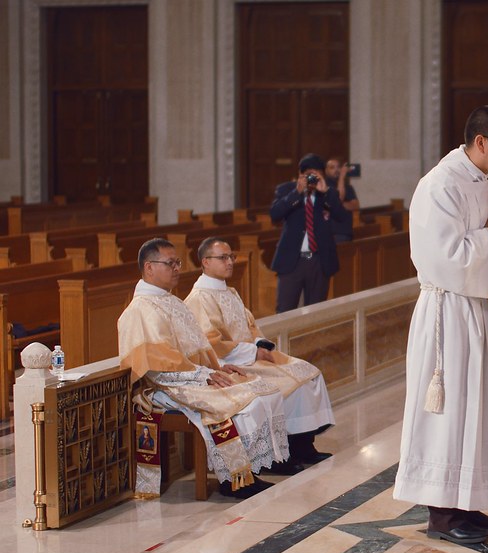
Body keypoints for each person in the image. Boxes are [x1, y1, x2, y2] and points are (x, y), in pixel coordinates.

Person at [392, 105, 488, 545]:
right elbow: (445, 259)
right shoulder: (439, 184)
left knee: (475, 408)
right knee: (446, 412)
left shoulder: (479, 183)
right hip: (446, 312)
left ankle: (467, 502)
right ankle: (442, 515)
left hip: (473, 308)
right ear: (480, 142)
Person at [118, 238, 290, 499]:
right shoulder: (139, 310)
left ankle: (248, 472)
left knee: (261, 391)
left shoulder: (172, 302)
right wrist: (205, 375)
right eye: (170, 263)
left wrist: (219, 367)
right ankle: (234, 479)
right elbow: (156, 368)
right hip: (165, 387)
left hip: (193, 377)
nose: (177, 268)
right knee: (240, 403)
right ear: (149, 267)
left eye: (178, 263)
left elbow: (197, 346)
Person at [185, 237, 336, 471]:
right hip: (231, 363)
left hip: (250, 356)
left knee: (309, 373)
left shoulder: (230, 291)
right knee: (284, 384)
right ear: (205, 261)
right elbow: (211, 343)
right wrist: (253, 352)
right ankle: (278, 457)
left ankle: (303, 445)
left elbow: (248, 325)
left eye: (231, 257)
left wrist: (259, 344)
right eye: (223, 258)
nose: (230, 262)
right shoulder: (199, 298)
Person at [270, 153, 348, 313]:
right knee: (285, 310)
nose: (311, 179)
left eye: (316, 175)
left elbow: (342, 218)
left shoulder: (328, 193)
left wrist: (325, 191)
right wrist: (296, 192)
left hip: (319, 260)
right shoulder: (286, 190)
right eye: (307, 175)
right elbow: (274, 214)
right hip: (292, 260)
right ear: (300, 175)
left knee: (316, 312)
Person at [325, 157, 361, 242]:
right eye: (332, 167)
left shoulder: (348, 187)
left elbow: (355, 205)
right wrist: (341, 177)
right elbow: (339, 198)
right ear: (326, 170)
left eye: (338, 167)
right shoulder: (325, 186)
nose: (336, 170)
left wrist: (339, 205)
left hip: (346, 231)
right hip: (332, 232)